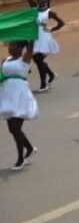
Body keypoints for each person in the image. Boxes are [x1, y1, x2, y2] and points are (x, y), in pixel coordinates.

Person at [0, 41, 38, 171]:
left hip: (21, 97)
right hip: (7, 96)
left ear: (21, 48)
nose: (10, 47)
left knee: (15, 128)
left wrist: (30, 32)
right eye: (10, 45)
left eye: (14, 46)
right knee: (12, 128)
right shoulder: (5, 60)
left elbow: (31, 46)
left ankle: (20, 159)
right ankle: (30, 148)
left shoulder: (25, 59)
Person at [23, 0, 63, 92]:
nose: (39, 0)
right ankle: (50, 74)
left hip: (44, 39)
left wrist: (51, 29)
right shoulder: (34, 9)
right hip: (35, 38)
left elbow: (61, 23)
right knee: (38, 60)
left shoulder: (49, 12)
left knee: (38, 59)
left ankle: (43, 84)